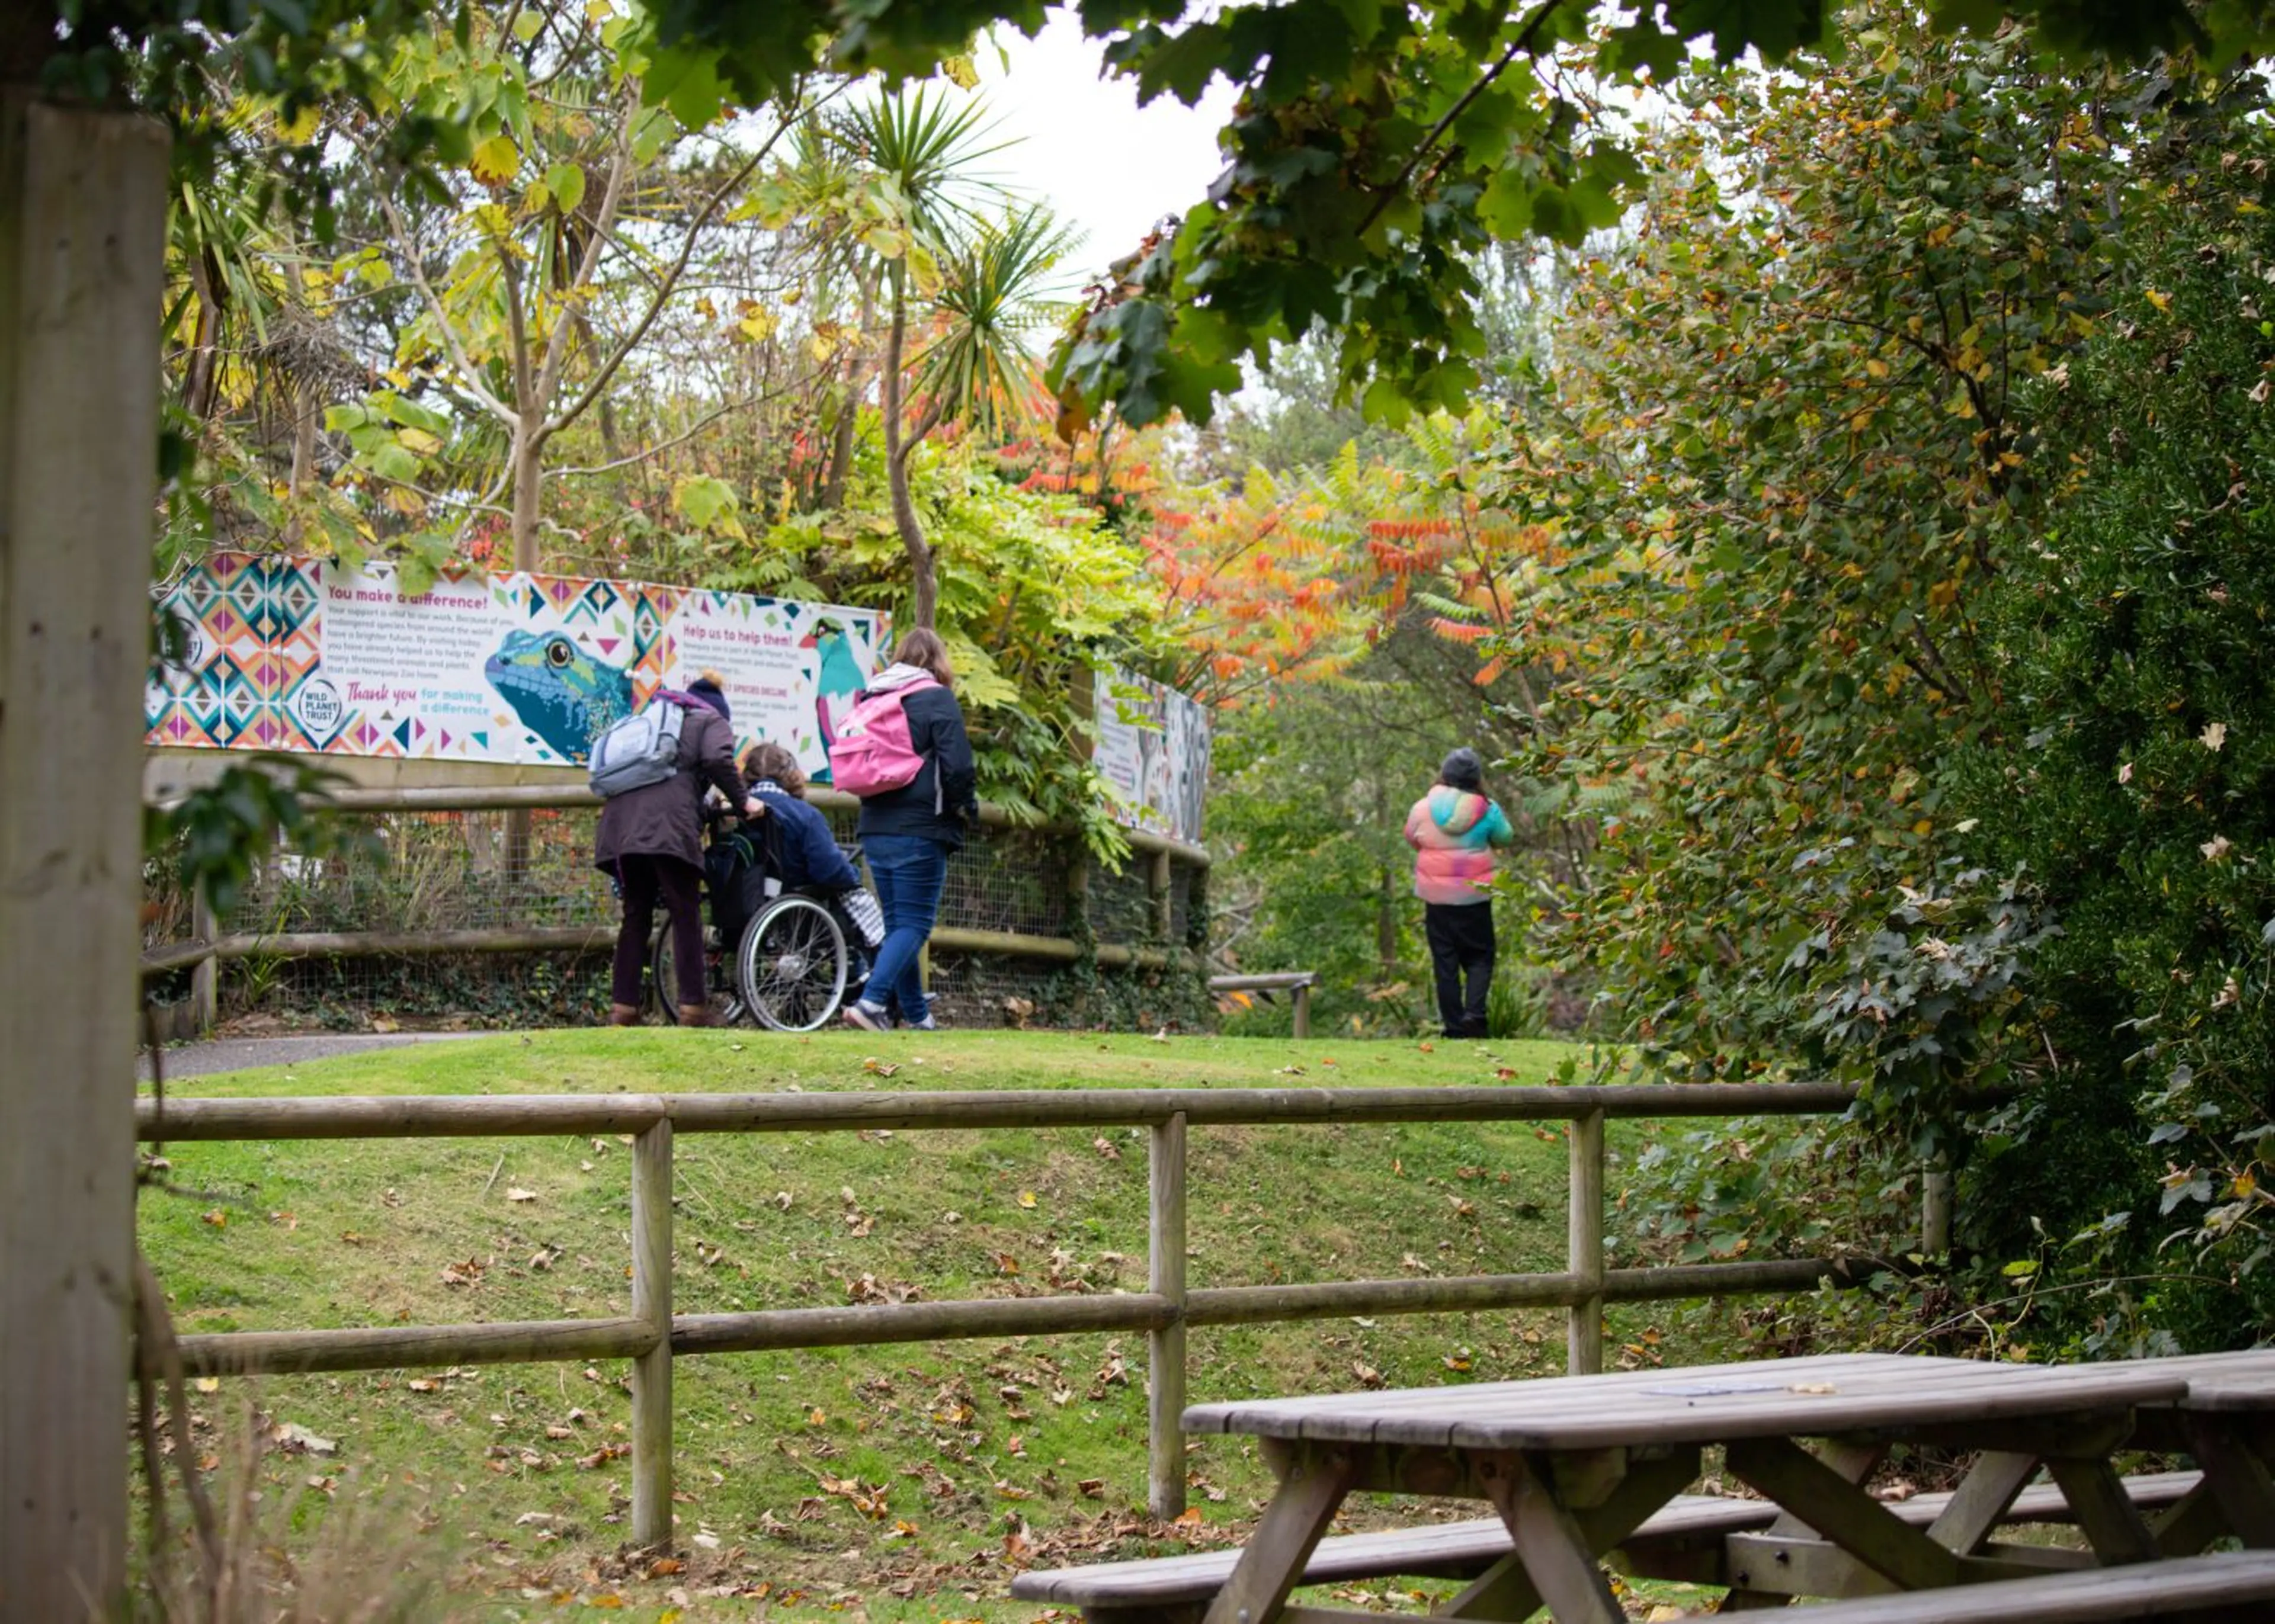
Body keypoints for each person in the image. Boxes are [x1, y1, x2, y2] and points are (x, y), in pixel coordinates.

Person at [595, 673, 761, 1028]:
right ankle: (694, 1008)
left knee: (635, 914)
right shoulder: (710, 719)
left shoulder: (658, 720)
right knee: (685, 911)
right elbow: (718, 760)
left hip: (623, 827)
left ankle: (623, 1008)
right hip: (667, 827)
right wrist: (744, 801)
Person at [837, 628, 976, 1032]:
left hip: (875, 829)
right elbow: (959, 767)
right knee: (914, 926)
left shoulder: (874, 698)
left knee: (900, 926)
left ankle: (917, 1016)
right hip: (920, 828)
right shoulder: (937, 698)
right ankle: (871, 1003)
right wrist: (963, 808)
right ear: (937, 662)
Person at [1404, 747, 1515, 1040]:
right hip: (1474, 897)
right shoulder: (1488, 809)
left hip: (1436, 898)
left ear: (1445, 774)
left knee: (1445, 961)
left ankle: (1454, 1028)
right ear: (1476, 777)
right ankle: (1475, 1017)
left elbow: (1412, 838)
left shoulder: (1422, 808)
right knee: (1481, 957)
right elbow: (1505, 837)